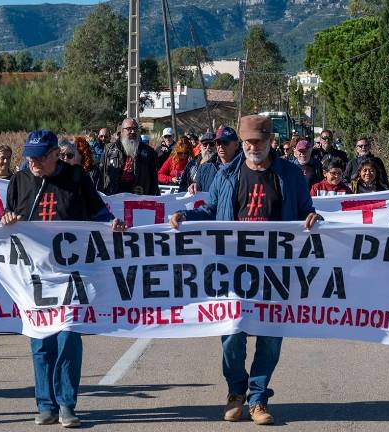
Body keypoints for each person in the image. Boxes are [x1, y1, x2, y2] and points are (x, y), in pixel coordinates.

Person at [169, 115, 322, 425]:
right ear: (242, 142)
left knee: (270, 337)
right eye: (249, 142)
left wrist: (314, 219)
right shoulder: (226, 174)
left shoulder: (290, 175)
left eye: (259, 142)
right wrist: (185, 215)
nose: (254, 147)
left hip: (276, 271)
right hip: (233, 269)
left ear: (270, 142)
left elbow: (307, 211)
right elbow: (211, 211)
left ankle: (258, 398)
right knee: (231, 335)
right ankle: (236, 391)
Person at [2, 130, 125, 428]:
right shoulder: (19, 181)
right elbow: (8, 217)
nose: (33, 162)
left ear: (55, 154)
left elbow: (97, 211)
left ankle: (67, 404)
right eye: (29, 156)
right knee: (41, 341)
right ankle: (45, 404)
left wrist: (111, 225)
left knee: (68, 336)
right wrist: (6, 220)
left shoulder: (76, 178)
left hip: (72, 273)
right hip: (36, 276)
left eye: (39, 156)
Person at [101, 118, 160, 196]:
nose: (133, 131)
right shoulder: (109, 149)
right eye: (129, 129)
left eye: (135, 129)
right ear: (122, 131)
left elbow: (154, 179)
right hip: (113, 196)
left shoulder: (149, 152)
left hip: (139, 196)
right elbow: (102, 173)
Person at [186, 126, 241, 194]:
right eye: (218, 142)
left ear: (236, 145)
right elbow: (197, 189)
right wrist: (193, 187)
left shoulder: (244, 167)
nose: (221, 146)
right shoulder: (203, 168)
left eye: (225, 142)